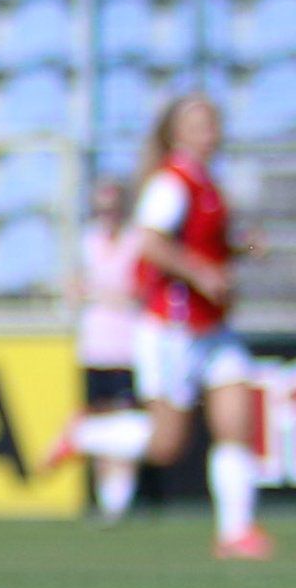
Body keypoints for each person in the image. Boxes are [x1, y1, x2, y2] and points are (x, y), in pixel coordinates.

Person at [125, 92, 270, 560]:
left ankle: (235, 532)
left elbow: (203, 243)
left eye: (212, 122)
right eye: (198, 123)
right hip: (175, 325)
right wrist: (201, 272)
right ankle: (85, 433)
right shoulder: (170, 182)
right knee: (166, 444)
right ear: (176, 132)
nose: (209, 131)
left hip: (212, 327)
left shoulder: (209, 183)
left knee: (237, 421)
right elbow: (150, 243)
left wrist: (236, 247)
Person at [45, 176, 155, 515]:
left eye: (112, 208)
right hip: (95, 346)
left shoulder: (137, 242)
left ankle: (113, 489)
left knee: (127, 421)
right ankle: (108, 498)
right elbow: (72, 288)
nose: (106, 215)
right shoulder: (87, 241)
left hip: (130, 345)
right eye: (101, 208)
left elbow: (139, 294)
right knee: (104, 416)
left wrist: (98, 293)